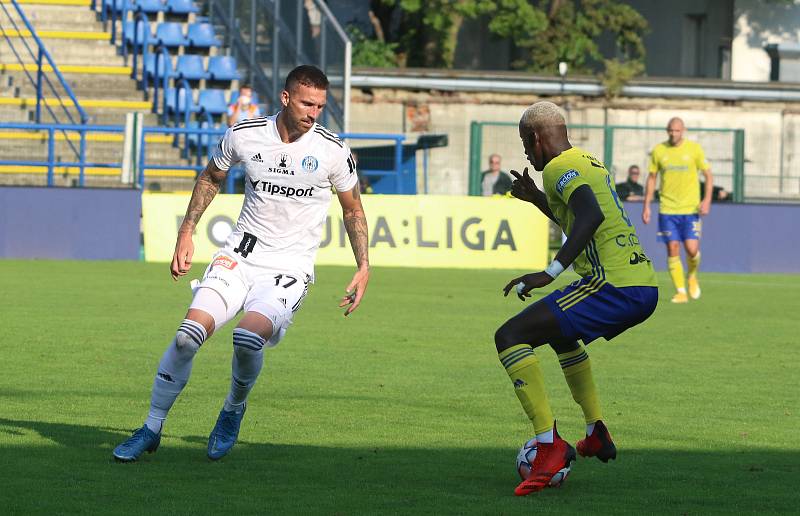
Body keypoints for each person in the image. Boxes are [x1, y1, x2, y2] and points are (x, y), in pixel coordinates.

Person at [113, 65, 370, 462]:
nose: (313, 113)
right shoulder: (244, 134)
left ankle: (232, 409)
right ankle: (151, 428)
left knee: (248, 339)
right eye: (306, 103)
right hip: (239, 255)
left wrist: (363, 265)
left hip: (288, 268)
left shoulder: (332, 151)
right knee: (186, 337)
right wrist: (186, 231)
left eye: (320, 106)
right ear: (285, 98)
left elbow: (352, 209)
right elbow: (211, 177)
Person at [497, 101, 658, 496]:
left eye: (524, 143)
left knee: (510, 336)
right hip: (640, 284)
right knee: (561, 334)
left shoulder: (557, 167)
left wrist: (549, 273)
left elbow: (590, 216)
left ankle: (549, 447)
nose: (525, 153)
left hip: (613, 285)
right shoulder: (586, 160)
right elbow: (579, 214)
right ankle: (595, 431)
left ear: (536, 138)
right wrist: (537, 199)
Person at [643, 117, 713, 303]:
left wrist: (706, 200)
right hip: (667, 209)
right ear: (667, 131)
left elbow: (708, 174)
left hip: (690, 209)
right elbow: (652, 178)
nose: (674, 134)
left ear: (683, 131)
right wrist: (647, 205)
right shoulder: (659, 150)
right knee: (673, 248)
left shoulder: (694, 149)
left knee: (692, 250)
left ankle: (691, 275)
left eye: (677, 131)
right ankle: (681, 291)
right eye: (671, 131)